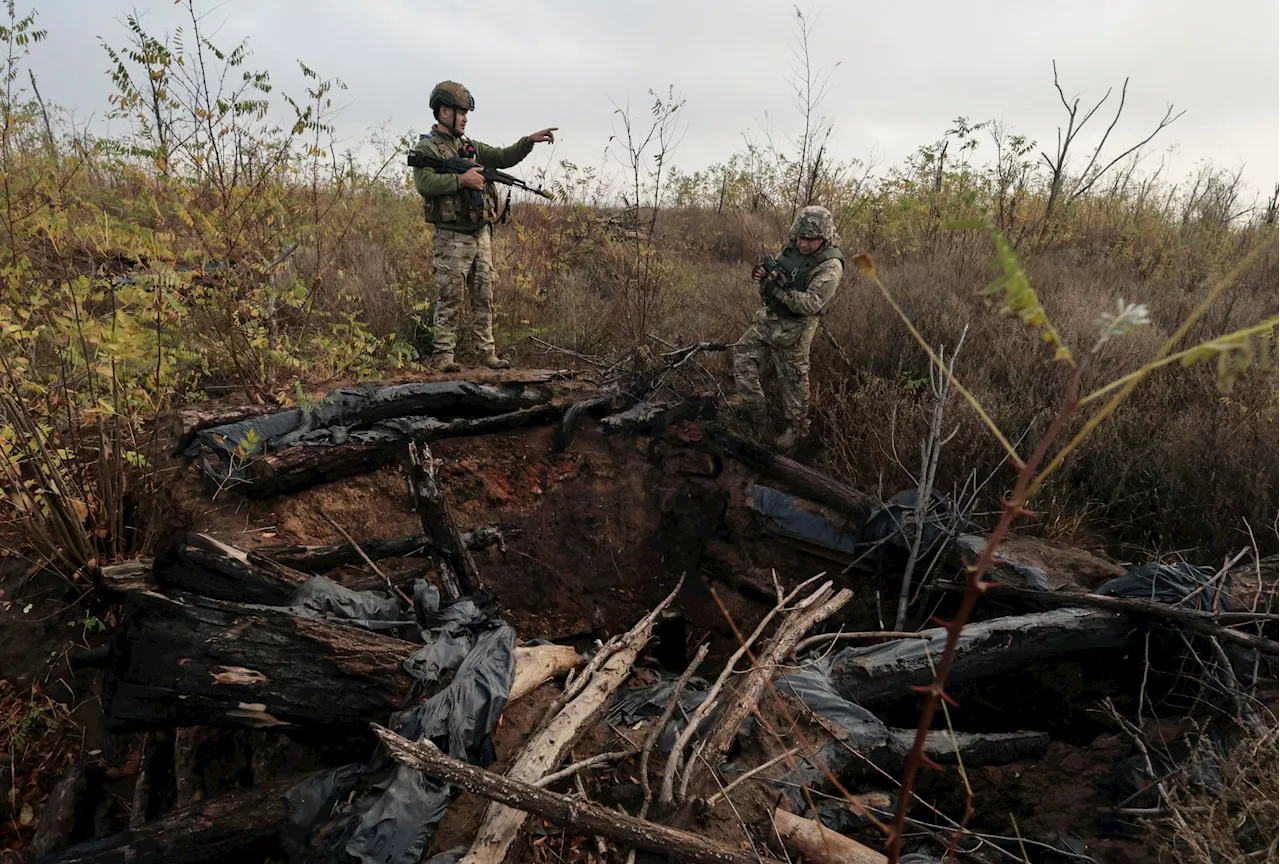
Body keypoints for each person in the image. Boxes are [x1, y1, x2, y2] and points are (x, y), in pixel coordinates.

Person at [412, 80, 557, 372]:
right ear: (443, 112)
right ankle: (443, 357)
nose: (465, 117)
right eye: (460, 111)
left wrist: (528, 141)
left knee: (484, 296)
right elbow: (424, 183)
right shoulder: (428, 147)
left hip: (480, 234)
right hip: (451, 236)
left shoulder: (470, 147)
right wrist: (460, 180)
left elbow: (503, 157)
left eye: (466, 112)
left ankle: (486, 353)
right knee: (449, 296)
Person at [731, 205, 845, 452]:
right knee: (742, 353)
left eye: (810, 240)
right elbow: (783, 268)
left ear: (823, 238)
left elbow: (812, 303)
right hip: (769, 319)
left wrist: (779, 292)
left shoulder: (831, 266)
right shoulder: (794, 245)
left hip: (795, 330)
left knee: (793, 382)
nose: (803, 244)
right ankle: (755, 411)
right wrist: (764, 274)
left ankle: (796, 431)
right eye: (800, 238)